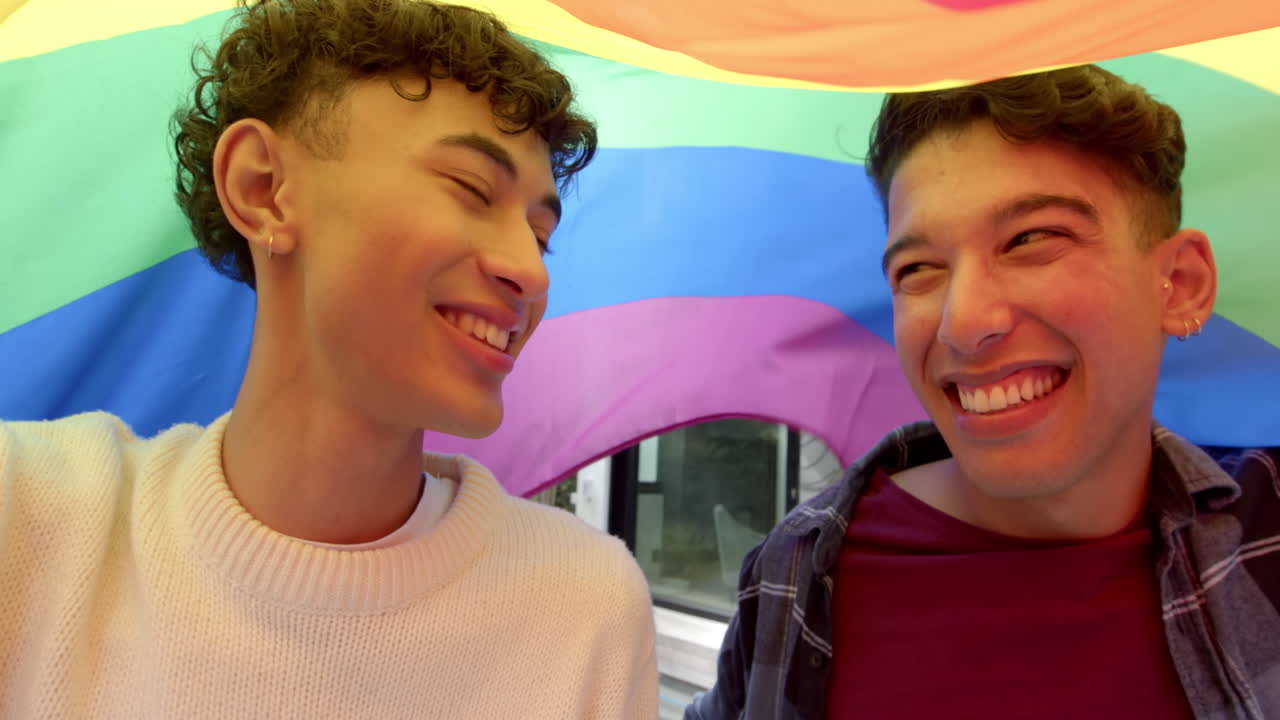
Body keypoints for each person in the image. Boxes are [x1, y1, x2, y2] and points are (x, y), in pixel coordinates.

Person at [0, 1, 657, 717]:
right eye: (472, 189)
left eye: (540, 235)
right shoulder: (32, 520)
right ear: (263, 190)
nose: (531, 274)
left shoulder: (587, 606)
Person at [687, 64, 1280, 719]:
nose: (964, 324)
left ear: (1182, 283)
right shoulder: (792, 576)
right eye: (918, 271)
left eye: (1030, 240)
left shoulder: (1266, 533)